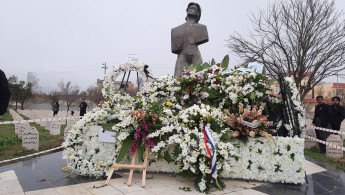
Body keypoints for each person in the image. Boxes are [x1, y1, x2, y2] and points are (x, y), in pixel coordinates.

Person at [171, 2, 208, 76]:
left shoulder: (202, 28)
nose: (191, 9)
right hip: (182, 56)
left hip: (195, 56)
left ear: (198, 13)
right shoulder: (176, 30)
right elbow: (174, 48)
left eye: (194, 8)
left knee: (200, 79)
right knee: (177, 80)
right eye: (190, 8)